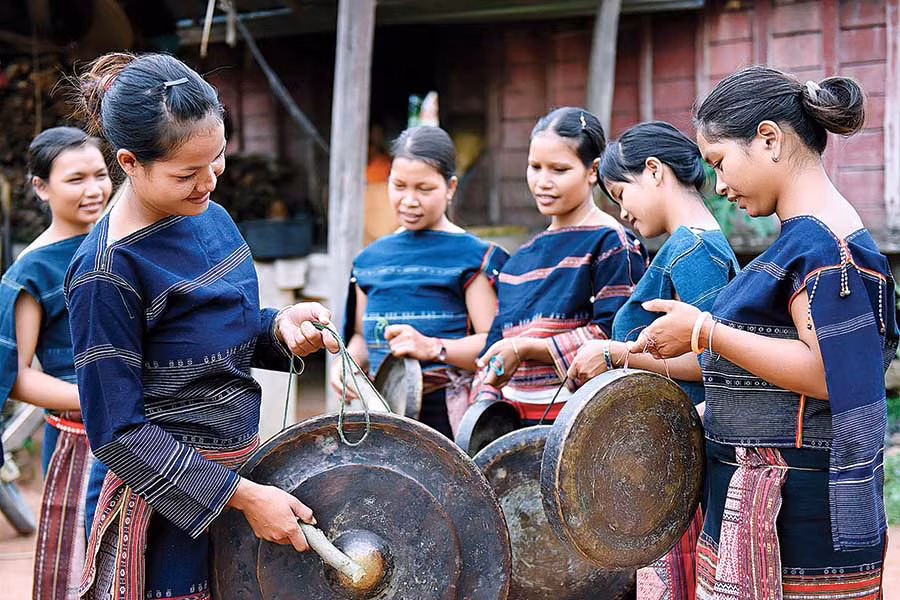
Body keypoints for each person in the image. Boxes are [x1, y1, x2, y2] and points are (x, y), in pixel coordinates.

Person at [65, 52, 340, 600]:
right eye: (186, 173)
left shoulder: (209, 215)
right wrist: (242, 496)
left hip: (245, 477)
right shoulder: (106, 272)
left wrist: (281, 329)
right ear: (130, 162)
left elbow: (221, 329)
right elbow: (117, 433)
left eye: (217, 160)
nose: (208, 181)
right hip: (170, 507)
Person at [630, 66, 897, 598]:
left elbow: (832, 376)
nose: (719, 186)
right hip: (775, 511)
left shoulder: (825, 249)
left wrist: (706, 330)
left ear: (770, 139)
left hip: (799, 530)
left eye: (719, 162)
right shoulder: (809, 242)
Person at [566, 121, 740, 600]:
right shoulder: (690, 246)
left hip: (686, 451)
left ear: (655, 171)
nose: (622, 211)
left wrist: (616, 355)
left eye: (622, 194)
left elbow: (716, 362)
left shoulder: (694, 251)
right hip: (675, 450)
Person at [473, 106, 647, 423]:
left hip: (583, 425)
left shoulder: (611, 243)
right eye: (535, 167)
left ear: (593, 170)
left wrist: (525, 349)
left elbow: (619, 338)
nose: (543, 181)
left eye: (559, 170)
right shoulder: (518, 260)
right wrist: (482, 407)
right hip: (513, 428)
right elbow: (495, 346)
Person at [333, 125, 508, 437]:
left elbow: (493, 344)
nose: (409, 200)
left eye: (424, 189)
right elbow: (360, 336)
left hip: (450, 416)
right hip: (384, 413)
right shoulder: (369, 261)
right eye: (399, 186)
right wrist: (347, 365)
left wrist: (432, 347)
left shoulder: (472, 257)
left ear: (450, 187)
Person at [0, 126, 112, 600]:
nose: (94, 189)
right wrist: (100, 400)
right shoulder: (34, 270)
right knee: (83, 563)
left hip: (153, 428)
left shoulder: (125, 242)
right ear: (41, 187)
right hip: (80, 438)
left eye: (101, 175)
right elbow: (17, 375)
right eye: (76, 179)